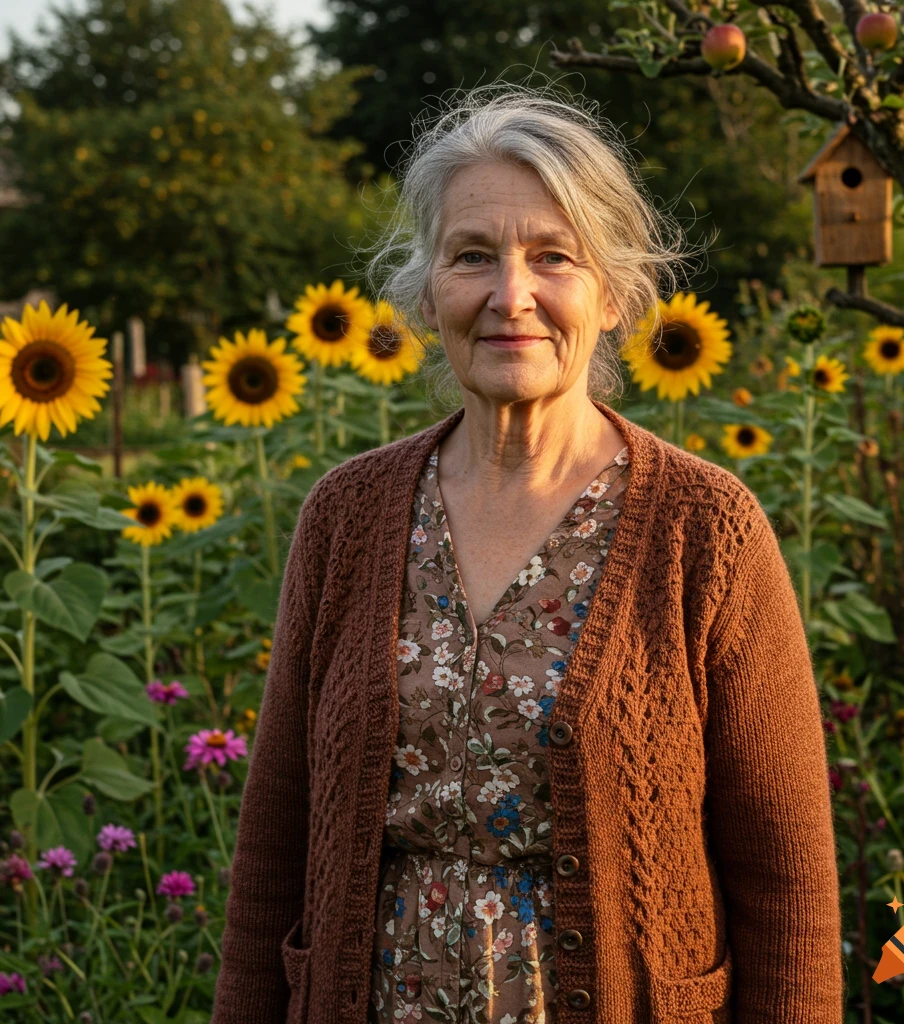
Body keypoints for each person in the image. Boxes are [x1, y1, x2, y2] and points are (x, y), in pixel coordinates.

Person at [211, 80, 844, 1024]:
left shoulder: (705, 530)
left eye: (554, 256)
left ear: (614, 294)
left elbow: (788, 889)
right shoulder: (346, 517)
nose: (512, 296)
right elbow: (274, 848)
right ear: (427, 291)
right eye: (473, 255)